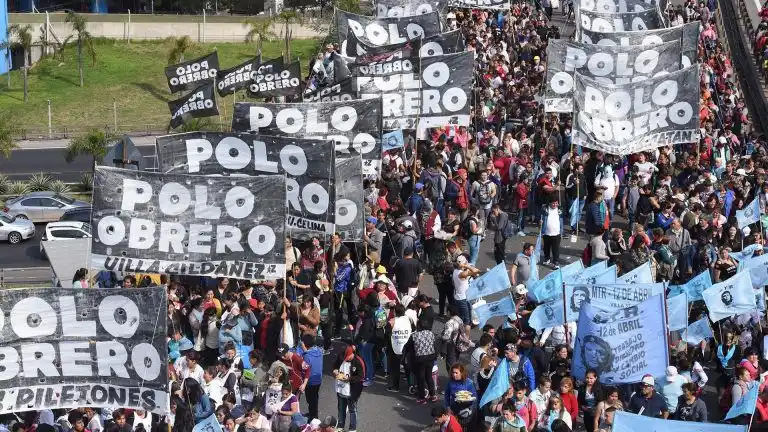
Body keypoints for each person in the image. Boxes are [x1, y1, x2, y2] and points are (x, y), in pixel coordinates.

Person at [407, 318, 439, 404]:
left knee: (420, 378)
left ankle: (422, 398)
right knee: (429, 376)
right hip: (430, 358)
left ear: (418, 326)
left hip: (420, 360)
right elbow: (435, 346)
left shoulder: (414, 335)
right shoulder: (431, 334)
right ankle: (433, 395)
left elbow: (407, 346)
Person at [333, 345, 364, 432]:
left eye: (347, 357)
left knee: (352, 409)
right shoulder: (340, 357)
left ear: (352, 354)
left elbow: (361, 376)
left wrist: (349, 379)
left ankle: (352, 428)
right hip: (341, 388)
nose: (346, 359)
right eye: (345, 357)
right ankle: (340, 426)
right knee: (341, 408)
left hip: (353, 390)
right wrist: (335, 370)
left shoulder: (358, 361)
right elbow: (335, 366)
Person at [297, 334, 323, 421]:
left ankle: (314, 417)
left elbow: (305, 369)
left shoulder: (307, 356)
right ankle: (312, 413)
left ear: (304, 344)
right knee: (315, 398)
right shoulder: (319, 351)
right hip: (318, 380)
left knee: (311, 400)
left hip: (310, 381)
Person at [453, 254, 480, 336]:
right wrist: (466, 265)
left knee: (462, 317)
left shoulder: (455, 271)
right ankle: (466, 339)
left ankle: (460, 335)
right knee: (467, 321)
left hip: (460, 297)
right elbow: (476, 270)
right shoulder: (462, 274)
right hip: (462, 299)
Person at [541, 198, 563, 269]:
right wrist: (540, 222)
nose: (555, 205)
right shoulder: (545, 209)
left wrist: (561, 231)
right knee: (546, 247)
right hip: (546, 232)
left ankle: (556, 262)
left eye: (556, 203)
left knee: (555, 249)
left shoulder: (560, 209)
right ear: (549, 203)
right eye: (553, 203)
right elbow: (541, 217)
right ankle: (547, 258)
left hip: (557, 233)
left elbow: (562, 220)